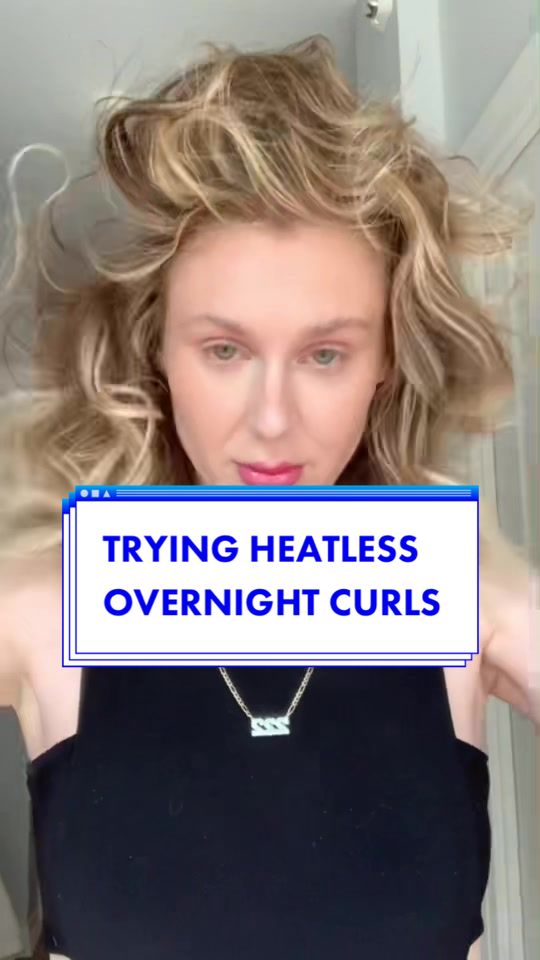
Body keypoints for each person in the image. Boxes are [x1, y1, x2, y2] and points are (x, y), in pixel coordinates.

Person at [0, 34, 538, 960]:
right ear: (158, 351)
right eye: (225, 350)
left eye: (326, 353)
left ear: (385, 362)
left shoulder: (463, 598)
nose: (274, 420)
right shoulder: (45, 602)